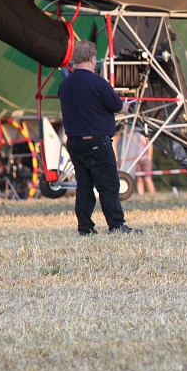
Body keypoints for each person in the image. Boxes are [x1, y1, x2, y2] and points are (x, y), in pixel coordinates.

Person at [59, 40, 140, 235]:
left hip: (75, 142)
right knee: (108, 185)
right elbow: (118, 106)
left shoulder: (65, 84)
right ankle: (116, 225)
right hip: (97, 141)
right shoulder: (97, 82)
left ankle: (85, 227)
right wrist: (129, 104)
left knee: (84, 187)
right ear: (90, 58)